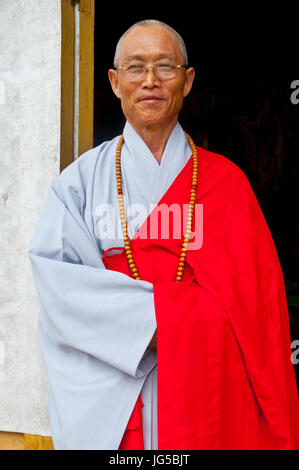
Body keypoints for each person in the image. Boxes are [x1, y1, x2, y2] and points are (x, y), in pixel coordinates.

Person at [28, 19, 299, 450]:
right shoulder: (78, 183)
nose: (150, 80)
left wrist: (169, 324)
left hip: (203, 391)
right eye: (135, 67)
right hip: (113, 392)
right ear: (115, 82)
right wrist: (172, 318)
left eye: (165, 67)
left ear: (187, 81)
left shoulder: (226, 183)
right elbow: (61, 288)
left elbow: (258, 307)